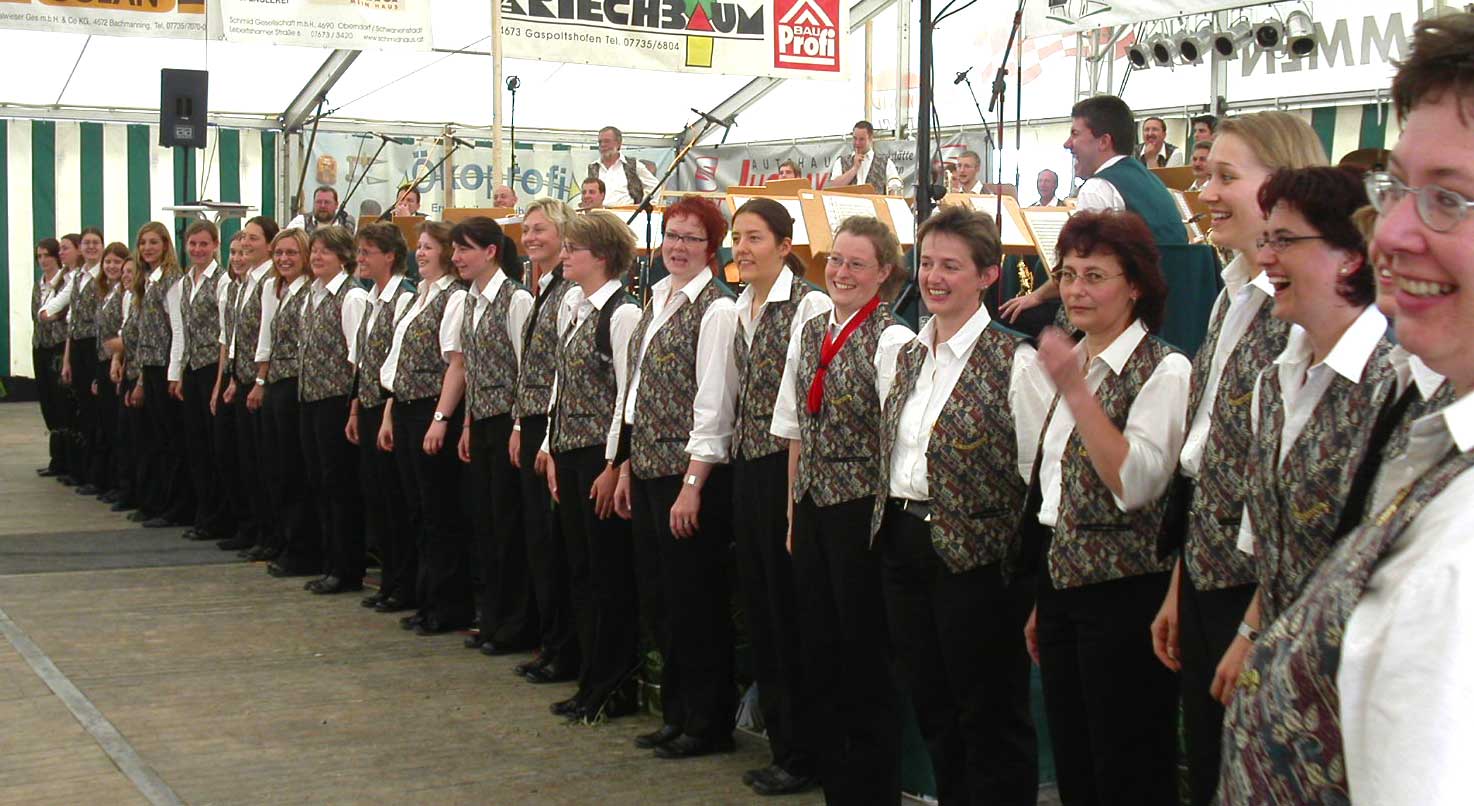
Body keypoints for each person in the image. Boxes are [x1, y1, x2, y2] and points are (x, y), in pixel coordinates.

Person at [1219, 15, 1474, 802]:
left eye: (1451, 199)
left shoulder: (1459, 555)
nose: (1391, 231)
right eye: (1396, 188)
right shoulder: (1438, 435)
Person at [1147, 110, 1326, 806]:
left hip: (1262, 594)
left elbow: (1293, 485)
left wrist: (1254, 618)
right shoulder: (1231, 295)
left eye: (1227, 176)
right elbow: (1209, 459)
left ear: (1283, 188)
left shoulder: (1298, 310)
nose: (1207, 193)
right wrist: (1180, 584)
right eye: (1205, 175)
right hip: (1207, 572)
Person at [874, 206, 1045, 806]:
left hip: (978, 563)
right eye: (927, 263)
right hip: (905, 543)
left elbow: (1038, 479)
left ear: (987, 277)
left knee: (990, 713)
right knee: (935, 705)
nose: (934, 277)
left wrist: (1026, 579)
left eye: (952, 266)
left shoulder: (1015, 361)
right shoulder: (910, 354)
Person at [1024, 210, 1189, 806]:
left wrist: (1072, 389)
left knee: (1127, 764)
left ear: (1136, 285)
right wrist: (1047, 597)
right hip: (1065, 581)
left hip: (1126, 593)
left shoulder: (1164, 369)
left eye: (1095, 276)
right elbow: (1055, 494)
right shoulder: (1082, 362)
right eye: (1068, 274)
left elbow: (1134, 483)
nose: (1075, 290)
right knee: (1076, 757)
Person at [1218, 167, 1392, 691]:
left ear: (1352, 255)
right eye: (1266, 240)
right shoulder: (1275, 381)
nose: (1266, 257)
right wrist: (1250, 631)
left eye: (1285, 241)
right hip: (1280, 663)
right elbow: (1276, 547)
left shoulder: (1392, 386)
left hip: (1353, 679)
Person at [771, 216, 914, 802]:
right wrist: (790, 512)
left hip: (861, 514)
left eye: (857, 263)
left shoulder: (893, 338)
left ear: (883, 272)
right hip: (812, 507)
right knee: (820, 648)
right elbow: (795, 429)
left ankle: (872, 786)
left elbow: (893, 442)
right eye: (836, 260)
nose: (842, 272)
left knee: (864, 656)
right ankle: (836, 781)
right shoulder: (810, 331)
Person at [609, 196, 740, 759]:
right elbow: (632, 393)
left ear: (712, 248)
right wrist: (621, 464)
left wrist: (692, 484)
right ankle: (677, 711)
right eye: (671, 235)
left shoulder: (717, 308)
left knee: (696, 601)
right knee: (661, 597)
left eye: (691, 238)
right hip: (648, 465)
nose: (678, 247)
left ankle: (707, 721)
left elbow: (714, 405)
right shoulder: (656, 298)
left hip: (691, 475)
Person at [723, 198, 831, 795]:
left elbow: (801, 409)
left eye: (755, 238)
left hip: (786, 469)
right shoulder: (740, 304)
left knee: (792, 615)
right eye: (737, 238)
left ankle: (805, 750)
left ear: (785, 247)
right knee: (763, 608)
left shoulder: (808, 304)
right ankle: (784, 741)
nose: (742, 249)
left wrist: (793, 497)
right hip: (748, 464)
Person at [536, 210, 641, 725]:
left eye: (574, 248)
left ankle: (611, 683)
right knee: (579, 568)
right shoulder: (574, 307)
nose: (565, 255)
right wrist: (550, 444)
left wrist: (614, 464)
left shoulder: (620, 314)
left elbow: (628, 393)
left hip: (599, 455)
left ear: (600, 256)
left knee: (605, 575)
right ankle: (588, 677)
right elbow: (561, 381)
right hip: (571, 450)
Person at [1002, 96, 1188, 323]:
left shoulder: (1098, 188)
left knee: (1020, 317)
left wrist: (1036, 296)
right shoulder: (1152, 181)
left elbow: (1082, 267)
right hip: (1173, 309)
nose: (1067, 144)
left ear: (1103, 142)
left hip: (1129, 317)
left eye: (1075, 134)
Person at [379, 220, 474, 636]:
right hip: (405, 406)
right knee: (416, 509)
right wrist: (388, 413)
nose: (421, 253)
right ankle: (425, 596)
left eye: (429, 247)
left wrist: (440, 418)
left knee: (439, 512)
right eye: (418, 247)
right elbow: (395, 362)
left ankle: (447, 604)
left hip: (431, 411)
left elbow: (456, 363)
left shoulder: (453, 298)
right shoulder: (417, 296)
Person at [449, 217, 537, 654]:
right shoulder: (470, 299)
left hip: (508, 421)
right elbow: (469, 367)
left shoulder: (515, 298)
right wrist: (465, 423)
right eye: (455, 250)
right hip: (481, 420)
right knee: (483, 520)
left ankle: (515, 623)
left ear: (490, 252)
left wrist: (519, 426)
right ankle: (493, 616)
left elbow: (528, 369)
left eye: (464, 249)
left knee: (507, 523)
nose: (456, 257)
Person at [509, 199, 579, 682]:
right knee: (537, 539)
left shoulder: (569, 288)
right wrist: (518, 422)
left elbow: (561, 371)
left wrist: (545, 436)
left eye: (540, 229)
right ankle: (549, 641)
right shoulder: (540, 286)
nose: (530, 237)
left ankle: (562, 647)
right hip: (532, 418)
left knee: (553, 542)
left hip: (554, 424)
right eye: (526, 230)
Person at [298, 226, 372, 594]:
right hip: (311, 398)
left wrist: (353, 407)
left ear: (342, 257)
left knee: (340, 486)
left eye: (325, 251)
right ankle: (330, 560)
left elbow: (357, 357)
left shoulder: (351, 296)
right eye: (314, 250)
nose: (316, 257)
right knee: (320, 483)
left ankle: (347, 567)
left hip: (336, 400)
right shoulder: (313, 294)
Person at [350, 224, 418, 613]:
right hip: (371, 404)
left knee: (396, 499)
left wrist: (387, 410)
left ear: (390, 256)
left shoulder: (403, 298)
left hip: (391, 407)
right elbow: (365, 361)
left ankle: (404, 582)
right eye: (359, 252)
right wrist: (357, 407)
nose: (360, 259)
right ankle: (390, 579)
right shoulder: (372, 297)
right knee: (378, 498)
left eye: (367, 252)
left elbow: (399, 362)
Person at [254, 229, 319, 574]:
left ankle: (301, 548)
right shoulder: (271, 287)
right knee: (275, 467)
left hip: (299, 383)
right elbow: (265, 338)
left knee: (296, 470)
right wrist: (260, 381)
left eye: (292, 253)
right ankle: (281, 539)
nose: (284, 259)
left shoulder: (310, 289)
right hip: (276, 381)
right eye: (279, 253)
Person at [168, 221, 233, 544]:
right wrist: (177, 372)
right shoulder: (184, 282)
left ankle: (218, 517)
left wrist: (221, 381)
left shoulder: (221, 282)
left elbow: (225, 335)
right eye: (193, 244)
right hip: (193, 369)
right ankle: (203, 513)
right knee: (194, 445)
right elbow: (180, 331)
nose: (197, 250)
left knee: (214, 447)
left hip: (212, 369)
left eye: (203, 244)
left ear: (215, 245)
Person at [219, 217, 279, 557]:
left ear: (268, 244)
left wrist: (258, 379)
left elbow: (266, 335)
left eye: (253, 238)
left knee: (262, 462)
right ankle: (252, 527)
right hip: (241, 378)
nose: (246, 244)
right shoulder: (244, 281)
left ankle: (267, 533)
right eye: (244, 238)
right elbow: (238, 336)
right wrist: (231, 378)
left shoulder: (269, 281)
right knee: (245, 460)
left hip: (260, 382)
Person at [133, 222, 192, 529]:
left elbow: (178, 329)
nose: (147, 248)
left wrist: (174, 372)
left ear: (166, 245)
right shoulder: (147, 280)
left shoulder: (172, 280)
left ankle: (176, 505)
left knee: (171, 439)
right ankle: (157, 500)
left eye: (154, 242)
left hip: (166, 365)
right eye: (143, 243)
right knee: (156, 437)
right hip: (150, 364)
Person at [51, 229, 104, 494]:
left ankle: (97, 475)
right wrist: (67, 360)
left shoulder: (103, 277)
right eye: (87, 243)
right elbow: (70, 321)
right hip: (79, 346)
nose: (91, 247)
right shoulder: (78, 276)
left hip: (96, 347)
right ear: (81, 248)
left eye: (96, 243)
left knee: (96, 412)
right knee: (83, 410)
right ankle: (84, 470)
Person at [91, 243, 129, 505]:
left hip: (119, 362)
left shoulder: (124, 293)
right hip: (104, 362)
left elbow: (123, 332)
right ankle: (110, 479)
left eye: (118, 262)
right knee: (106, 422)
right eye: (109, 262)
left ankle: (120, 482)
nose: (113, 267)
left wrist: (118, 358)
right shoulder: (105, 292)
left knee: (118, 426)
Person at [31, 238, 70, 479]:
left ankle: (65, 458)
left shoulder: (65, 283)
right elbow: (37, 316)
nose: (43, 260)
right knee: (46, 401)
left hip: (57, 346)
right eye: (39, 256)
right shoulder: (40, 285)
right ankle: (56, 457)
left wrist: (52, 319)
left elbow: (61, 314)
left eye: (47, 255)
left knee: (60, 401)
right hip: (41, 345)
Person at [828, 121, 904, 194]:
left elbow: (895, 185)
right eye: (855, 138)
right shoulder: (841, 162)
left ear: (871, 138)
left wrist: (892, 193)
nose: (857, 143)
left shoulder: (885, 163)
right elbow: (833, 187)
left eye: (862, 139)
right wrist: (854, 169)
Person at [589, 126, 656, 206]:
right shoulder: (592, 168)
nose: (603, 145)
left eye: (607, 141)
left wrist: (645, 206)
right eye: (600, 142)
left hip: (626, 214)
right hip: (599, 214)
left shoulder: (633, 165)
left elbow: (654, 186)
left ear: (618, 143)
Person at [288, 185, 354, 234]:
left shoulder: (346, 224)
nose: (322, 206)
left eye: (327, 202)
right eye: (319, 202)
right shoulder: (301, 221)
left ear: (336, 205)